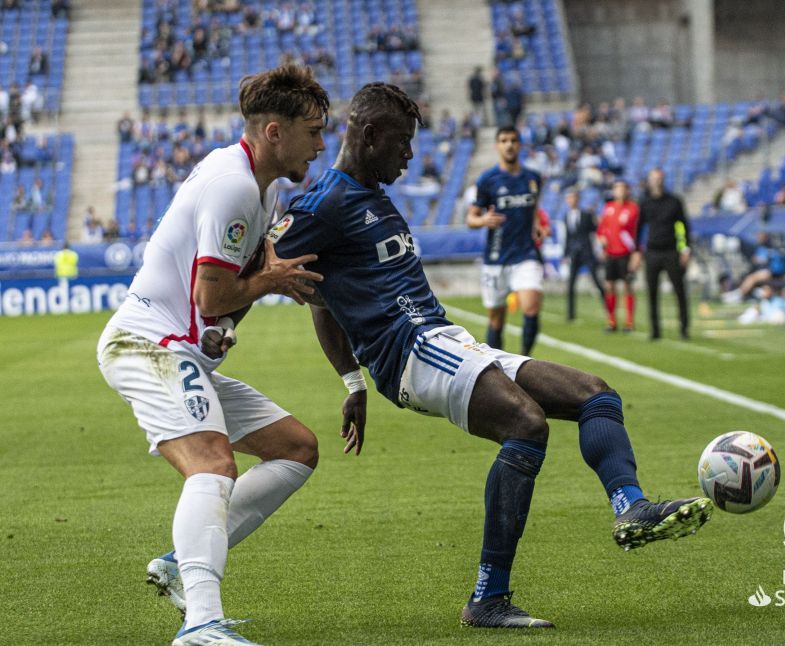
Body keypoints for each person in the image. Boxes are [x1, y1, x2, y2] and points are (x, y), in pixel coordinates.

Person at [206, 82, 713, 629]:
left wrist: (350, 383)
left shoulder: (372, 196)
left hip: (449, 340)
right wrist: (220, 328)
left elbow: (321, 297)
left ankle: (629, 507)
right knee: (526, 423)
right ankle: (488, 598)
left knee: (596, 395)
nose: (409, 155)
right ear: (370, 136)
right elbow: (261, 272)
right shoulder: (325, 201)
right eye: (401, 143)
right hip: (410, 354)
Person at [95, 64, 333, 646]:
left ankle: (181, 562)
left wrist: (269, 259)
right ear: (274, 131)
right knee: (213, 465)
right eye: (313, 130)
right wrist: (271, 282)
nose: (322, 144)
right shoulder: (232, 184)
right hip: (149, 343)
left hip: (182, 351)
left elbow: (249, 253)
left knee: (295, 449)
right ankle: (201, 624)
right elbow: (212, 293)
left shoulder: (262, 182)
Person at [466, 126, 544, 356]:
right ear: (497, 146)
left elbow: (535, 208)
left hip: (526, 254)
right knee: (496, 320)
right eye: (504, 140)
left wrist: (537, 224)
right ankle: (498, 367)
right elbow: (470, 218)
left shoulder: (534, 178)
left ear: (520, 145)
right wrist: (483, 220)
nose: (509, 144)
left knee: (531, 307)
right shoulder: (487, 180)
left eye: (513, 140)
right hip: (496, 258)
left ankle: (524, 361)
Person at [634, 168, 691, 340]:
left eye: (659, 178)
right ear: (649, 181)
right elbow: (638, 228)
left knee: (679, 291)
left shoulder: (674, 201)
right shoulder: (644, 202)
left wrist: (685, 249)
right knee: (651, 292)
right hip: (652, 252)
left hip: (671, 251)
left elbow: (683, 226)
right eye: (653, 178)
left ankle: (684, 328)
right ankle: (655, 330)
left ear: (663, 180)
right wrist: (637, 251)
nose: (657, 181)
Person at [598, 180, 640, 332]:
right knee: (609, 286)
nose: (620, 191)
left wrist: (637, 254)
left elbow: (638, 232)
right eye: (617, 188)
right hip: (610, 253)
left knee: (628, 286)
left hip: (626, 253)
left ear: (627, 190)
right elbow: (602, 228)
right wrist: (602, 238)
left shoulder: (633, 209)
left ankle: (629, 322)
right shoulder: (608, 208)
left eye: (622, 188)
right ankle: (612, 321)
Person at [562, 187, 605, 321]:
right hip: (574, 254)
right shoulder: (566, 216)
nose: (571, 200)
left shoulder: (586, 214)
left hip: (587, 252)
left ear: (578, 199)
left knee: (597, 281)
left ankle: (609, 309)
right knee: (570, 285)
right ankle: (570, 315)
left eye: (573, 197)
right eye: (569, 198)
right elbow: (568, 237)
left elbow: (596, 230)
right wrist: (566, 254)